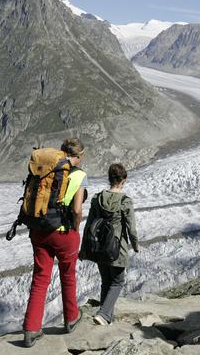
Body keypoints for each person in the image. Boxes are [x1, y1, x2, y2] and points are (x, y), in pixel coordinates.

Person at [23, 138, 88, 347]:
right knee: (68, 275)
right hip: (64, 234)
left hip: (39, 230)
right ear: (79, 155)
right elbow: (77, 210)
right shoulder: (78, 175)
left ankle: (31, 329)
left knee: (40, 279)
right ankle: (71, 318)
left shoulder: (46, 170)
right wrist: (75, 229)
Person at [83, 163, 139, 326]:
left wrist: (84, 249)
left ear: (109, 178)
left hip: (99, 247)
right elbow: (131, 227)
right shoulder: (125, 201)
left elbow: (88, 225)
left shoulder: (97, 198)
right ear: (124, 180)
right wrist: (135, 245)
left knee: (106, 282)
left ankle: (106, 318)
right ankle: (103, 314)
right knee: (117, 282)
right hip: (117, 249)